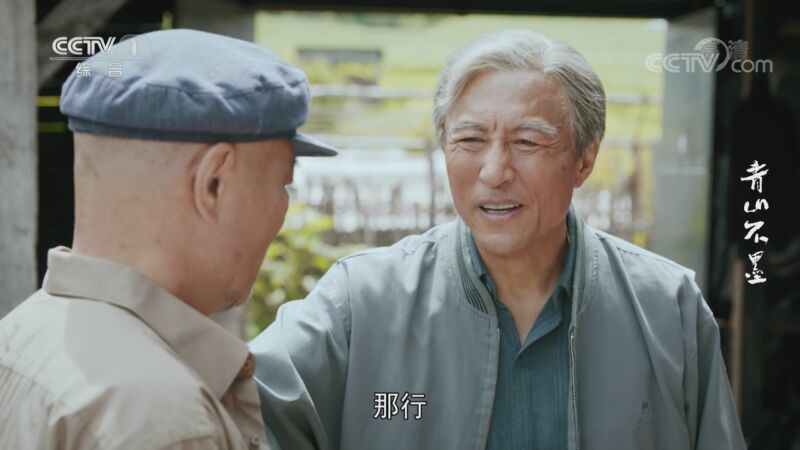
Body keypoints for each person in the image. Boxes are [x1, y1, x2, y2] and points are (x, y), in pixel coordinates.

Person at [250, 30, 746, 450]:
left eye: (527, 142)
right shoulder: (360, 304)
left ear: (584, 159)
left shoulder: (668, 309)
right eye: (469, 140)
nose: (494, 171)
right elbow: (239, 407)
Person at [0, 29, 336, 449]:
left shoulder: (18, 336)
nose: (281, 214)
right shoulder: (165, 421)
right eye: (283, 184)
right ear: (213, 184)